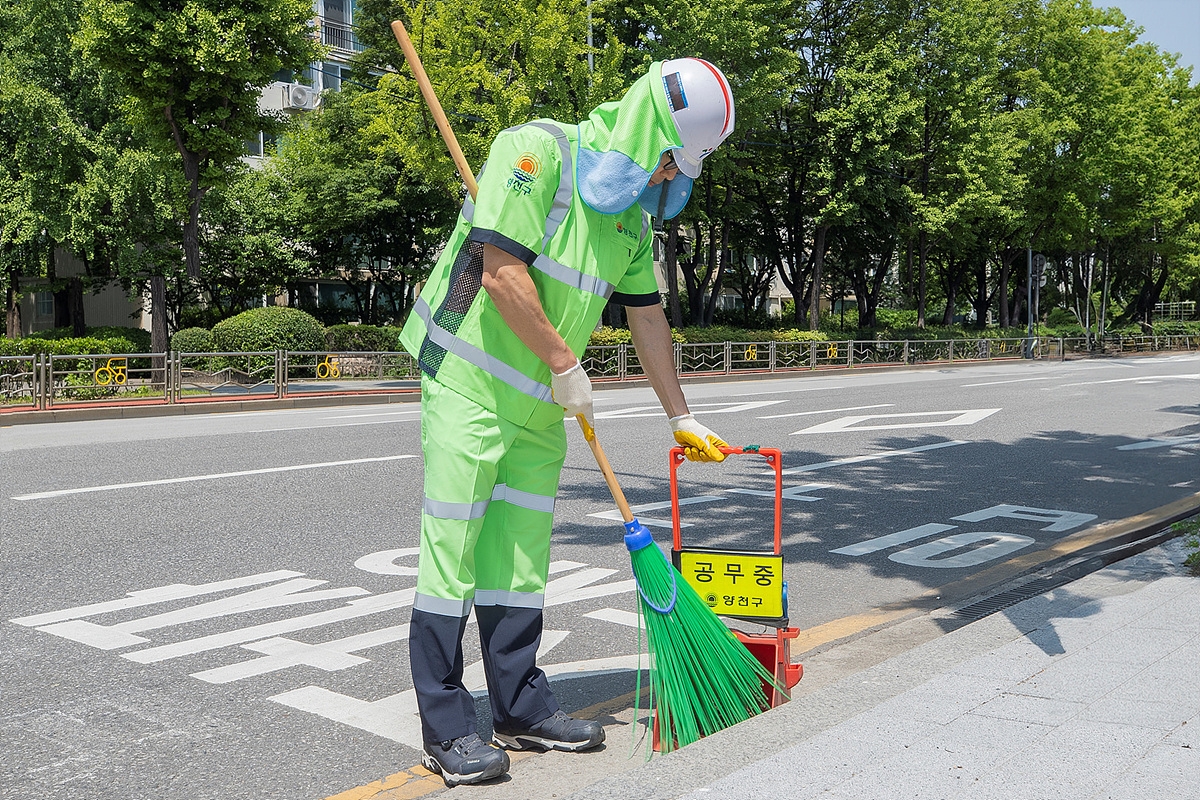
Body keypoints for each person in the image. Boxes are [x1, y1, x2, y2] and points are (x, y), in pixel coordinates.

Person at [398, 57, 736, 787]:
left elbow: (648, 319)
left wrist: (681, 416)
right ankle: (448, 729)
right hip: (469, 384)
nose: (669, 179)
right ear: (650, 136)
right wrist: (564, 362)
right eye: (672, 161)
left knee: (519, 558)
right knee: (452, 550)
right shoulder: (535, 153)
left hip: (541, 402)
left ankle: (519, 707)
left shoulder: (627, 221)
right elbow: (500, 272)